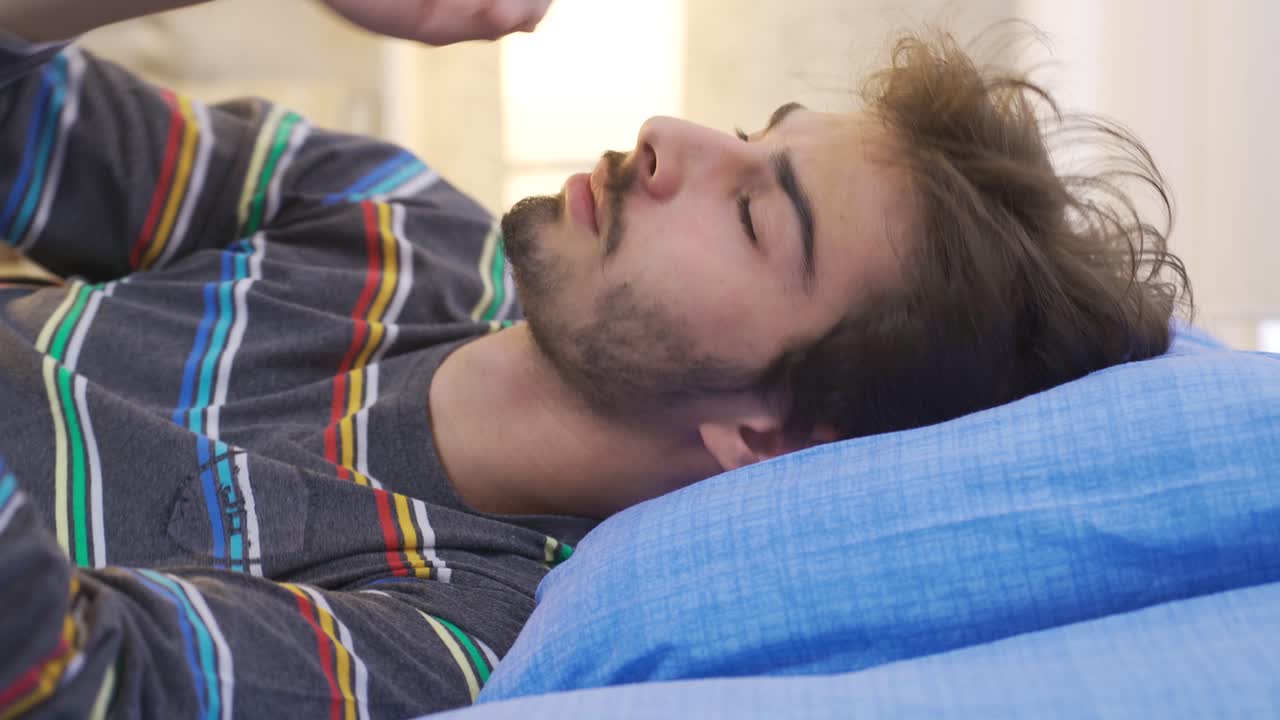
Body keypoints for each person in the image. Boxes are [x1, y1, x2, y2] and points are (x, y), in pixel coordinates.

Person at [0, 1, 1190, 717]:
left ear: (769, 434)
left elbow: (64, 680)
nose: (672, 137)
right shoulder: (398, 221)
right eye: (745, 136)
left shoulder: (461, 632)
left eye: (752, 213)